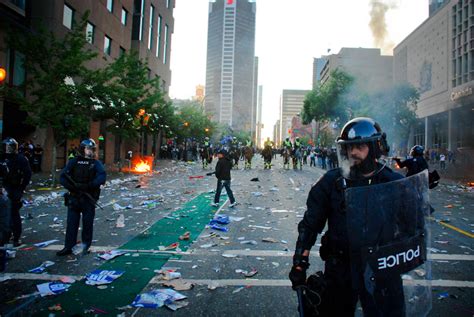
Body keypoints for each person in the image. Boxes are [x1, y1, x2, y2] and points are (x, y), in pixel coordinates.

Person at [289, 117, 414, 316]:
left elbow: (413, 226)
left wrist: (403, 251)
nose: (352, 152)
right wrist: (299, 263)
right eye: (348, 147)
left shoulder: (394, 183)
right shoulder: (332, 182)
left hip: (380, 268)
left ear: (374, 148)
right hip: (341, 268)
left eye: (360, 146)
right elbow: (310, 225)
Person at [57, 139, 106, 256]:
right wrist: (73, 187)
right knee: (71, 224)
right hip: (74, 197)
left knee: (87, 224)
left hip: (88, 199)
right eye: (88, 149)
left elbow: (102, 177)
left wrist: (88, 186)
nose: (90, 152)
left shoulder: (95, 163)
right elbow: (63, 177)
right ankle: (69, 246)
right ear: (82, 149)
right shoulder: (74, 162)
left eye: (92, 149)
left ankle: (85, 246)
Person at [1, 138, 32, 247]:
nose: (8, 149)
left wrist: (21, 188)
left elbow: (27, 174)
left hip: (15, 188)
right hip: (3, 188)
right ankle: (5, 236)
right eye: (7, 147)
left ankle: (16, 237)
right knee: (3, 215)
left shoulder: (21, 159)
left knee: (14, 214)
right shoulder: (2, 158)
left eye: (11, 147)